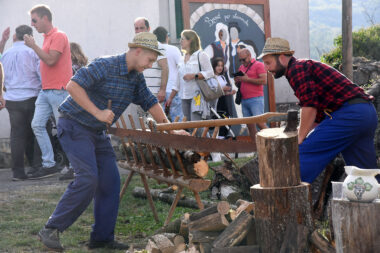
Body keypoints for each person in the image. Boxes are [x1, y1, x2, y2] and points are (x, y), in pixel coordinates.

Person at [36, 32, 188, 251]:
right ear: (138, 51)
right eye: (150, 59)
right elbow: (72, 86)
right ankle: (51, 229)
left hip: (97, 133)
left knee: (110, 182)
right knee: (88, 178)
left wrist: (171, 129)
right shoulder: (105, 65)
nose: (151, 64)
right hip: (74, 125)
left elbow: (149, 101)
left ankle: (101, 238)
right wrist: (98, 112)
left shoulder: (135, 77)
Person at [259, 37, 379, 183]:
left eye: (268, 63)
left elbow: (309, 106)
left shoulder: (296, 69)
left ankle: (282, 196)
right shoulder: (301, 68)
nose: (266, 68)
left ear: (283, 58)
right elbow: (317, 115)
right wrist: (304, 131)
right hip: (366, 112)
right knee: (364, 174)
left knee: (301, 155)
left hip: (350, 114)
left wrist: (300, 137)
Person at [24, 4, 72, 179]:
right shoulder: (47, 38)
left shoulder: (59, 36)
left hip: (59, 91)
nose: (33, 24)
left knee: (64, 129)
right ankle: (50, 164)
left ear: (45, 18)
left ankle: (74, 166)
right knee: (37, 125)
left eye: (34, 20)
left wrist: (33, 46)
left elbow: (51, 60)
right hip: (46, 91)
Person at [0, 25, 42, 181]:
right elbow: (40, 75)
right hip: (32, 96)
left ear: (14, 37)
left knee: (17, 136)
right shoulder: (32, 52)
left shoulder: (6, 54)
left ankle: (18, 172)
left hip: (12, 98)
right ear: (29, 37)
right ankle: (36, 167)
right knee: (38, 131)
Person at [166, 30, 214, 122]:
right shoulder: (181, 58)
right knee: (190, 126)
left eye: (183, 39)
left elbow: (210, 72)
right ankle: (206, 137)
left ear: (190, 40)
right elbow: (177, 81)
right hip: (184, 97)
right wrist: (171, 98)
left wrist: (194, 76)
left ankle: (208, 136)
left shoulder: (201, 55)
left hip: (197, 96)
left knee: (196, 125)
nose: (180, 41)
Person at [58, 42, 89, 181]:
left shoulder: (70, 68)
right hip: (84, 105)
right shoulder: (84, 67)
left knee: (69, 137)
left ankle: (72, 167)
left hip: (71, 105)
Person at [153, 26, 183, 122]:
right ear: (167, 37)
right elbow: (181, 68)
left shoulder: (154, 49)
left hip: (159, 89)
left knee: (161, 120)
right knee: (177, 120)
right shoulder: (174, 49)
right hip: (173, 89)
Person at [134, 17, 168, 103]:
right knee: (139, 117)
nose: (139, 31)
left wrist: (162, 90)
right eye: (136, 28)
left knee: (154, 117)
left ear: (148, 29)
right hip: (138, 93)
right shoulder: (134, 47)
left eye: (142, 28)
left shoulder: (158, 46)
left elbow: (165, 68)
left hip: (154, 93)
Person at [234, 48, 267, 134]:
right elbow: (242, 83)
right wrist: (237, 82)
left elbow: (264, 81)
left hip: (256, 99)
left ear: (249, 56)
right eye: (240, 60)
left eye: (243, 59)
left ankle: (273, 141)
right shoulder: (241, 67)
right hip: (244, 100)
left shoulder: (259, 65)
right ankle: (255, 147)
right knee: (250, 126)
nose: (242, 62)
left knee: (260, 123)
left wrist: (247, 79)